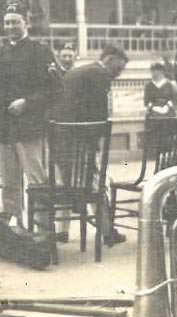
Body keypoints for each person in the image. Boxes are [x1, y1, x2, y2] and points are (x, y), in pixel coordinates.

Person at [0, 0, 60, 232]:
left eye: (15, 22)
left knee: (36, 180)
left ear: (26, 23)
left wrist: (28, 102)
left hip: (30, 128)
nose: (10, 27)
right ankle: (13, 231)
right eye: (7, 23)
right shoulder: (1, 54)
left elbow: (56, 89)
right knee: (10, 183)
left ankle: (43, 228)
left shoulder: (41, 51)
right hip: (6, 130)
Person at [52, 43, 129, 246]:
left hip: (59, 140)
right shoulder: (99, 75)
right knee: (97, 184)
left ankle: (62, 231)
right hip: (80, 142)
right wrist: (96, 142)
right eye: (118, 69)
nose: (118, 75)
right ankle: (106, 231)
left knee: (66, 184)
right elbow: (100, 117)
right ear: (109, 60)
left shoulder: (79, 72)